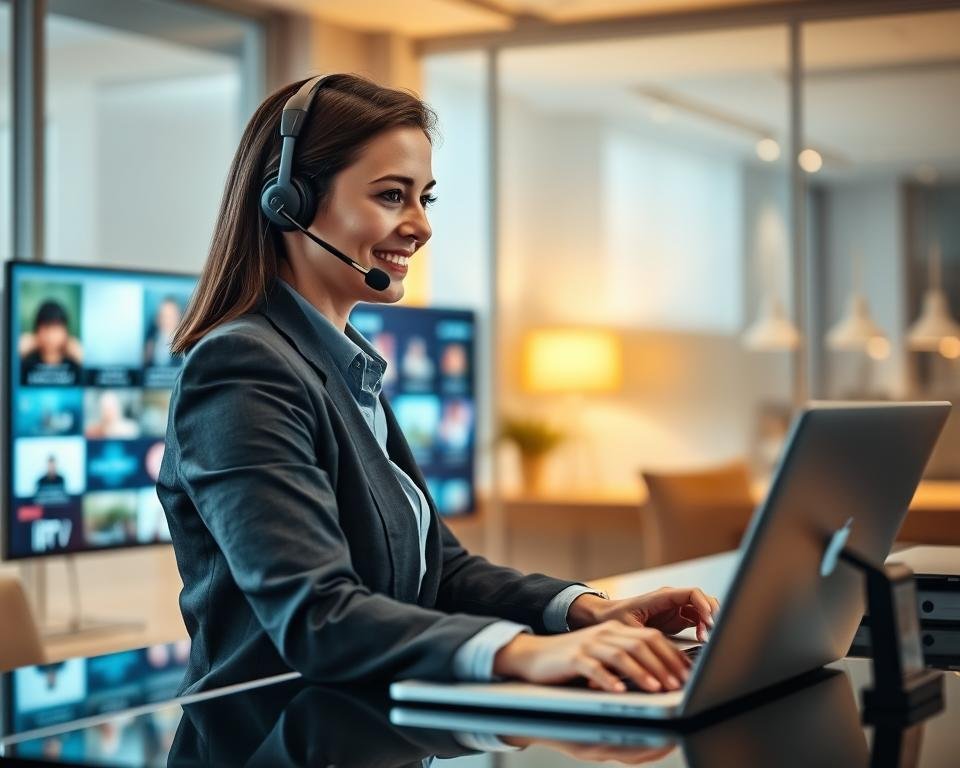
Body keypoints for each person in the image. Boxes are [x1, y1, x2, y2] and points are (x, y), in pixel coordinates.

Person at [158, 74, 719, 697]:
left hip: (371, 727)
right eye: (393, 195)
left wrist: (584, 610)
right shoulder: (241, 366)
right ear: (288, 200)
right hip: (278, 730)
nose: (421, 226)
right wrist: (522, 655)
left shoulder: (343, 368)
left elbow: (440, 570)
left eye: (426, 198)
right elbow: (316, 615)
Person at [20, 300, 82, 385]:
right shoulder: (26, 364)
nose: (51, 336)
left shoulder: (74, 365)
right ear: (37, 331)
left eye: (56, 329)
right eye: (46, 328)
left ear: (66, 331)